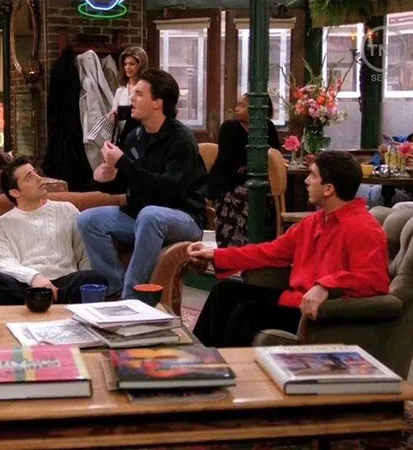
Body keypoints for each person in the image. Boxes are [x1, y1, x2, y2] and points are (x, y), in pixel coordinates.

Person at [187, 151, 390, 347]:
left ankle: (229, 367)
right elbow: (270, 251)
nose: (306, 181)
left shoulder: (364, 228)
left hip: (321, 312)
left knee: (245, 314)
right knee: (224, 292)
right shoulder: (313, 221)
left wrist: (326, 286)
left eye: (313, 175)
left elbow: (373, 280)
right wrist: (215, 254)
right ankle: (197, 360)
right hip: (294, 300)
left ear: (328, 189)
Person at [78, 69, 207, 299]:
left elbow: (171, 190)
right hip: (141, 214)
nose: (131, 98)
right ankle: (114, 288)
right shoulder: (134, 137)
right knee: (88, 220)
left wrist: (124, 164)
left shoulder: (181, 139)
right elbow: (129, 181)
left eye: (139, 94)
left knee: (150, 215)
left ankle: (131, 297)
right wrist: (105, 178)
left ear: (157, 103)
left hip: (182, 216)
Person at [0, 158, 106, 304]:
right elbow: (2, 262)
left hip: (64, 284)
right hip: (25, 286)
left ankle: (55, 303)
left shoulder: (67, 210)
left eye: (36, 173)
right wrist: (34, 278)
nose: (39, 178)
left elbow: (84, 252)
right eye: (29, 177)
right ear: (15, 192)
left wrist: (86, 282)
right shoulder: (0, 225)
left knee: (93, 278)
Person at [207, 93, 281, 247]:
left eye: (242, 105)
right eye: (238, 104)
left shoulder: (268, 127)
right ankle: (234, 246)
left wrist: (248, 168)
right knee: (246, 195)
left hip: (257, 181)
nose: (236, 108)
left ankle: (263, 245)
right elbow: (228, 162)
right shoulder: (229, 128)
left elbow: (272, 155)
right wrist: (248, 168)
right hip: (228, 182)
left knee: (264, 196)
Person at [359, 112, 413, 206]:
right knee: (354, 188)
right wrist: (384, 159)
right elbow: (373, 165)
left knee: (377, 193)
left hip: (409, 194)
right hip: (382, 185)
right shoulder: (395, 141)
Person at [108, 46, 148, 147]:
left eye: (132, 64)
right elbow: (114, 114)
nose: (127, 67)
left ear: (140, 65)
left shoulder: (147, 89)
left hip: (142, 138)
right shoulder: (120, 91)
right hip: (123, 140)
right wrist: (112, 115)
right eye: (125, 64)